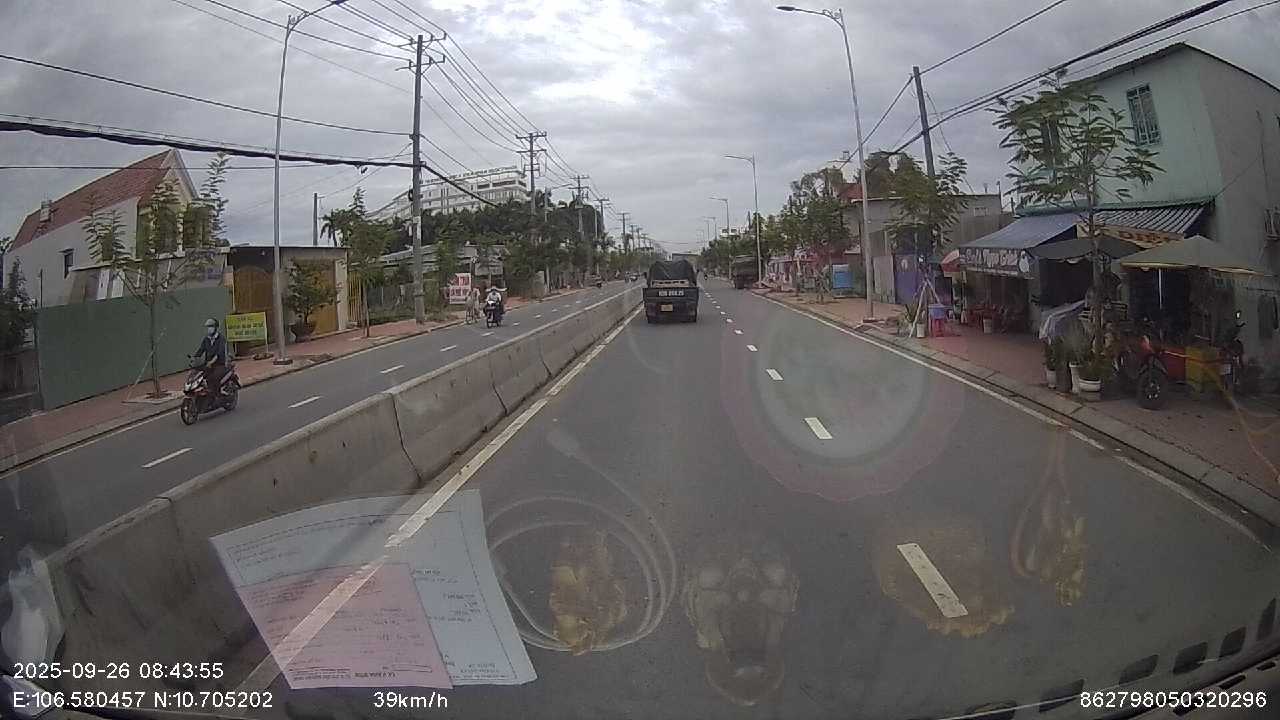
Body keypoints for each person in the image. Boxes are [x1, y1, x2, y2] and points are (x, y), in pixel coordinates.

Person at [194, 318, 229, 394]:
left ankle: (217, 394)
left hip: (220, 364)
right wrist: (194, 358)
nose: (209, 329)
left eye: (211, 327)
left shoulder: (221, 339)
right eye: (208, 327)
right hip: (208, 364)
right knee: (199, 375)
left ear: (215, 328)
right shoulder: (206, 339)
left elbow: (219, 353)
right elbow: (201, 350)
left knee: (214, 377)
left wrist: (211, 362)